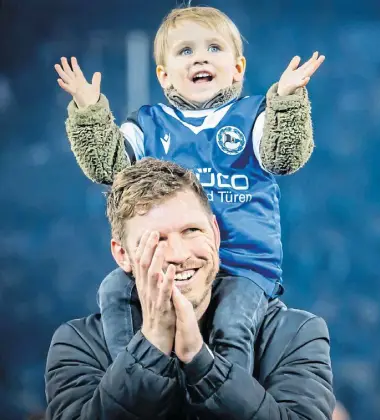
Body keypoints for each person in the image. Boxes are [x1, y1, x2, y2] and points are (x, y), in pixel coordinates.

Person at [53, 5, 325, 372]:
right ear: (164, 76)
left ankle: (224, 397)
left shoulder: (255, 117)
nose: (201, 58)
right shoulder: (148, 124)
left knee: (231, 327)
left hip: (243, 267)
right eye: (186, 51)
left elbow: (284, 157)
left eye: (214, 48)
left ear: (238, 68)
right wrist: (89, 112)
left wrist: (288, 102)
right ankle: (135, 380)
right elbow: (109, 169)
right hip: (163, 265)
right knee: (114, 291)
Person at [44, 158, 335, 419]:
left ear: (216, 233)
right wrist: (152, 346)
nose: (179, 254)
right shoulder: (77, 345)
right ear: (122, 255)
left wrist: (203, 364)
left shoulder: (295, 335)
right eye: (155, 239)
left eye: (192, 231)